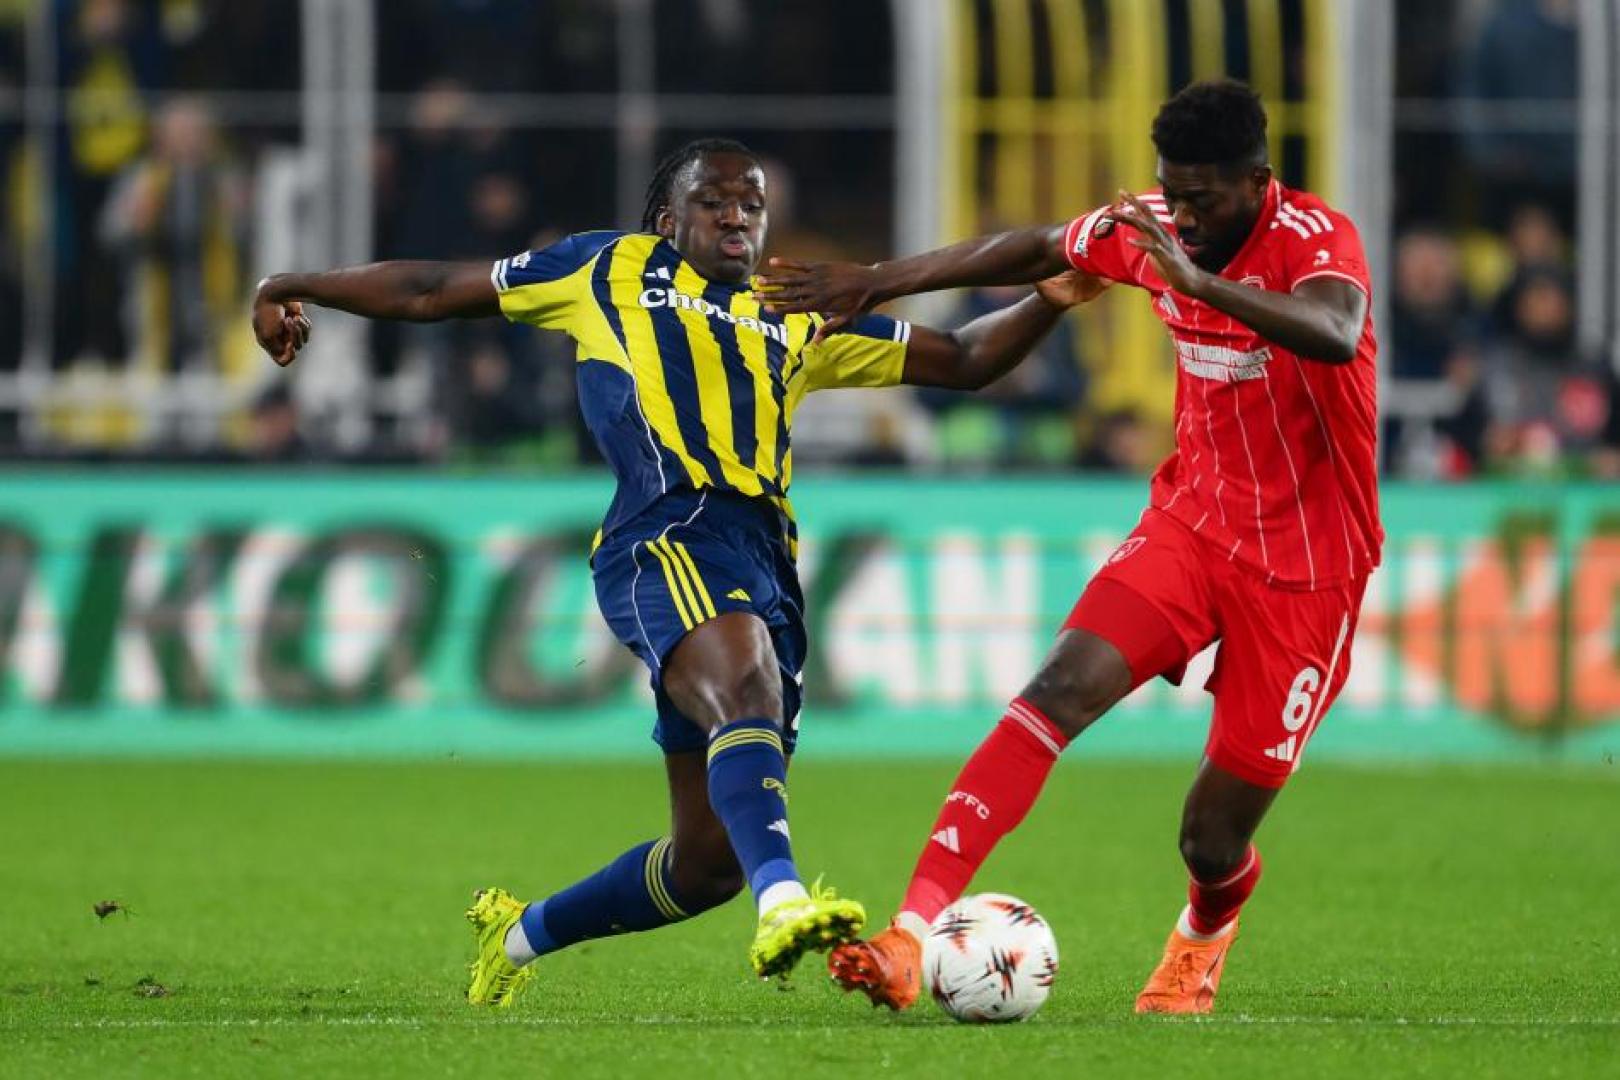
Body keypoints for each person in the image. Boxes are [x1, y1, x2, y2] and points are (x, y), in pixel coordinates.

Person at [250, 137, 1106, 1007]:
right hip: (664, 530)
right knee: (745, 684)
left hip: (764, 553)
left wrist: (1049, 298)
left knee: (707, 864)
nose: (738, 216)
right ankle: (785, 903)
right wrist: (292, 283)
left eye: (753, 204)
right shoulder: (607, 268)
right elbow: (432, 288)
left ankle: (514, 936)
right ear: (667, 219)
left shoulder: (795, 311)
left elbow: (963, 359)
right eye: (715, 201)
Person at [759, 79, 1381, 1015]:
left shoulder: (1314, 239)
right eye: (1173, 193)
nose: (1183, 217)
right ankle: (909, 934)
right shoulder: (1156, 227)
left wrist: (1198, 285)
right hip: (1191, 527)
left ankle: (1205, 929)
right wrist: (878, 279)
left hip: (1308, 570)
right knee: (1054, 692)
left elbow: (1336, 332)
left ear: (1258, 183)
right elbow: (1040, 246)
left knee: (1210, 839)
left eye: (1203, 199)